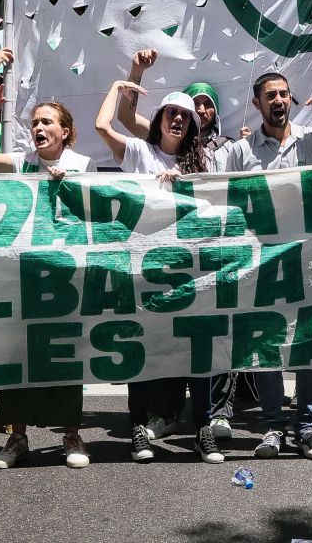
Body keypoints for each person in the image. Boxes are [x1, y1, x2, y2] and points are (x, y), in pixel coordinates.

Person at [209, 71, 312, 460]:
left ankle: (307, 426)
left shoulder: (311, 142)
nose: (278, 100)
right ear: (257, 104)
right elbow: (201, 176)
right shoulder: (240, 151)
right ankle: (273, 426)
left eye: (283, 94)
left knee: (309, 344)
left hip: (308, 260)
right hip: (261, 265)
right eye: (270, 95)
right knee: (267, 347)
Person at [0, 86, 95, 469]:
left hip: (64, 280)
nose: (38, 127)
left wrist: (70, 188)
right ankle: (17, 437)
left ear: (65, 132)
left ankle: (71, 435)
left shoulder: (83, 165)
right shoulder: (22, 162)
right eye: (35, 122)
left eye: (47, 122)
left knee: (65, 357)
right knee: (16, 355)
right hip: (22, 278)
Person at [96, 76, 216, 462]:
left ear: (192, 127)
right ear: (160, 118)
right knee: (139, 346)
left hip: (187, 271)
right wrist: (118, 86)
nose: (178, 119)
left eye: (185, 115)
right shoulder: (138, 152)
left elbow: (214, 210)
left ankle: (203, 428)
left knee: (197, 351)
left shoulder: (204, 164)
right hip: (141, 269)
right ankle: (137, 429)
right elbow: (102, 127)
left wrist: (186, 188)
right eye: (172, 112)